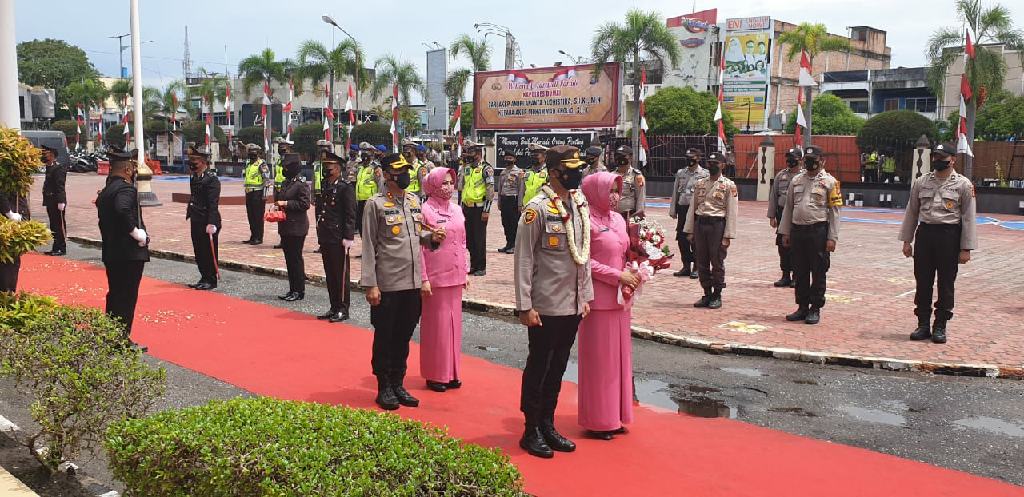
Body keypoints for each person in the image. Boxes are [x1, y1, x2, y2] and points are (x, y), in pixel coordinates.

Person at [515, 145, 593, 459]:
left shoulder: (578, 203)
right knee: (540, 366)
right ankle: (530, 428)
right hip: (545, 305)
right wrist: (524, 305)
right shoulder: (537, 208)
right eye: (571, 169)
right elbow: (523, 259)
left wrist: (585, 296)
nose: (577, 174)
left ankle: (547, 422)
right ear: (555, 172)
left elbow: (584, 254)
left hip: (571, 304)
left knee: (559, 366)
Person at [361, 152, 429, 411]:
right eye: (400, 172)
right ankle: (384, 386)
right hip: (388, 283)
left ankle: (398, 382)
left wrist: (432, 238)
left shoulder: (413, 201)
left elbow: (418, 234)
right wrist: (370, 284)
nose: (406, 175)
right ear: (387, 175)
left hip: (411, 283)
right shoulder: (374, 204)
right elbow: (368, 246)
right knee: (385, 336)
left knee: (404, 335)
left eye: (407, 171)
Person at [898, 143, 976, 344]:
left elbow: (968, 218)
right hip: (925, 234)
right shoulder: (921, 182)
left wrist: (965, 248)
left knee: (946, 283)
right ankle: (923, 324)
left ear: (953, 160)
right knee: (923, 282)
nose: (937, 161)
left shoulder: (963, 185)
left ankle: (940, 325)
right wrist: (907, 241)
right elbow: (912, 212)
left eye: (942, 157)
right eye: (935, 157)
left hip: (949, 236)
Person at [578, 171, 635, 440]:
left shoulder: (619, 220)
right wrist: (616, 276)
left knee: (619, 361)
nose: (614, 196)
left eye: (617, 190)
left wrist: (636, 270)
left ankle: (616, 414)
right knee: (601, 362)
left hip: (620, 300)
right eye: (609, 190)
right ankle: (599, 419)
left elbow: (626, 252)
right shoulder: (583, 220)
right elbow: (583, 261)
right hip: (598, 300)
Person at [779, 145, 842, 325]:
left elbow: (835, 211)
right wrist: (785, 232)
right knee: (799, 271)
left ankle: (815, 308)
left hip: (818, 231)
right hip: (798, 231)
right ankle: (802, 306)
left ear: (822, 161)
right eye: (807, 161)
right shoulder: (797, 180)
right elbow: (789, 208)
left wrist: (832, 237)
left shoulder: (831, 182)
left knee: (818, 271)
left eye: (813, 160)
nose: (809, 164)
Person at [419, 167, 468, 392]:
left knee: (454, 327)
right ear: (433, 185)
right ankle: (435, 373)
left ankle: (452, 371)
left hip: (455, 274)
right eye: (443, 183)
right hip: (436, 275)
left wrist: (465, 270)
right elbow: (420, 248)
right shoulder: (425, 210)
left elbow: (463, 242)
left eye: (451, 182)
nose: (448, 187)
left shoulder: (458, 210)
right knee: (437, 328)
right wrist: (424, 278)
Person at [96, 149, 149, 348]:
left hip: (112, 251)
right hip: (128, 253)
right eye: (133, 167)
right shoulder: (126, 189)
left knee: (116, 294)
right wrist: (135, 231)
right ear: (128, 168)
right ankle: (120, 340)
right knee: (126, 297)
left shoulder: (108, 189)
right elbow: (122, 209)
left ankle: (111, 336)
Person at [683, 151, 738, 309]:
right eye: (710, 163)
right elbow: (693, 208)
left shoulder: (728, 185)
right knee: (701, 260)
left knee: (717, 261)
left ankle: (717, 294)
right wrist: (690, 230)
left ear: (723, 165)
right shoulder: (700, 183)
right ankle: (706, 292)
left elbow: (732, 212)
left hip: (717, 226)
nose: (712, 165)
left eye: (716, 163)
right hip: (701, 224)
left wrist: (728, 235)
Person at [316, 152, 356, 322]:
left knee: (340, 275)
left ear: (338, 168)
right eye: (325, 167)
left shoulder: (345, 187)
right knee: (330, 273)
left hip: (339, 236)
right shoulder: (326, 183)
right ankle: (333, 306)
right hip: (326, 234)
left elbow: (350, 214)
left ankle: (343, 309)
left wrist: (348, 236)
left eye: (329, 167)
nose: (327, 170)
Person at [185, 145, 221, 291]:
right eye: (191, 160)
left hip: (207, 219)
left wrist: (211, 222)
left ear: (204, 162)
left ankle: (211, 279)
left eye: (196, 161)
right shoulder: (194, 177)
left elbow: (213, 203)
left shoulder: (212, 179)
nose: (192, 164)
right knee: (198, 250)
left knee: (208, 251)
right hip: (196, 217)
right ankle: (203, 276)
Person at [275, 153, 311, 302]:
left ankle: (299, 290)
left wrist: (286, 204)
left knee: (295, 259)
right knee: (289, 259)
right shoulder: (286, 182)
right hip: (285, 225)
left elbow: (305, 204)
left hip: (297, 227)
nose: (284, 169)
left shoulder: (300, 183)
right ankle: (292, 289)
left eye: (286, 167)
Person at [669, 148, 709, 278]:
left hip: (697, 210)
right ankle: (686, 265)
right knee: (681, 238)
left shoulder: (705, 174)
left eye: (693, 157)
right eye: (688, 157)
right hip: (683, 209)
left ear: (698, 158)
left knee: (695, 239)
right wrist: (673, 209)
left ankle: (697, 267)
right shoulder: (681, 173)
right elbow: (676, 192)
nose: (690, 160)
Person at [768, 147, 803, 287]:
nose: (789, 161)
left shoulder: (804, 176)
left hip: (797, 215)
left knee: (797, 247)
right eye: (788, 158)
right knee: (783, 247)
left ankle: (796, 276)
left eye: (793, 158)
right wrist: (772, 216)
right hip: (782, 214)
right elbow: (773, 196)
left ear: (800, 160)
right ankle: (785, 275)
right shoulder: (780, 175)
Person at [458, 139, 494, 276]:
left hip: (479, 209)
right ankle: (473, 265)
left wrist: (487, 210)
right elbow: (462, 187)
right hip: (467, 207)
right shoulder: (467, 168)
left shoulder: (486, 168)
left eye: (471, 152)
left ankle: (481, 266)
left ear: (478, 153)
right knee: (469, 239)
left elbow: (490, 191)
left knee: (479, 239)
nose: (468, 154)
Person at [0, 176, 31, 292]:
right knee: (8, 261)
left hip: (16, 215)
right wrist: (9, 212)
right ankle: (6, 293)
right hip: (8, 219)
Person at [41, 144, 67, 256]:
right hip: (50, 200)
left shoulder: (58, 168)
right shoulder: (50, 167)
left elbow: (60, 185)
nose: (43, 156)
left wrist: (61, 201)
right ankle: (55, 247)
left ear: (52, 155)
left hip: (56, 200)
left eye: (46, 154)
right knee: (53, 225)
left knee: (59, 225)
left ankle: (61, 248)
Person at [497, 148, 524, 254]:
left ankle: (514, 245)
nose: (508, 159)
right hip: (504, 200)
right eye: (507, 157)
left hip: (513, 199)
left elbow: (521, 189)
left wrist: (519, 204)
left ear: (515, 159)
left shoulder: (519, 172)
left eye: (510, 158)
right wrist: (499, 202)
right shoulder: (503, 172)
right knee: (505, 223)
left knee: (514, 224)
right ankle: (508, 243)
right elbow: (499, 188)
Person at [242, 143, 270, 245]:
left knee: (258, 217)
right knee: (251, 216)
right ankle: (253, 236)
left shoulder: (261, 164)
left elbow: (266, 179)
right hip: (249, 192)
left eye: (254, 152)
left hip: (258, 193)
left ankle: (258, 237)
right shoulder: (248, 164)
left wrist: (265, 195)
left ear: (258, 153)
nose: (251, 154)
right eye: (250, 152)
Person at [355, 142, 384, 235]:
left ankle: (372, 248)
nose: (364, 153)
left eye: (366, 151)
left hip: (370, 201)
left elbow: (380, 184)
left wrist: (379, 201)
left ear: (371, 153)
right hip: (360, 201)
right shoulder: (360, 167)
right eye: (362, 151)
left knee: (370, 227)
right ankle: (365, 246)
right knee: (360, 226)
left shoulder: (376, 167)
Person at [611, 145, 646, 220]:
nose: (619, 158)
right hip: (613, 216)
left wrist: (638, 215)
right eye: (617, 156)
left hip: (628, 216)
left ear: (630, 157)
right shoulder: (611, 175)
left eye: (622, 156)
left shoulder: (636, 175)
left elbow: (640, 196)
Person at [520, 143, 549, 208]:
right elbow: (522, 189)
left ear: (544, 157)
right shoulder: (527, 171)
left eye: (536, 155)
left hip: (542, 207)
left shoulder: (548, 172)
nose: (533, 157)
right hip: (526, 206)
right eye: (532, 155)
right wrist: (520, 204)